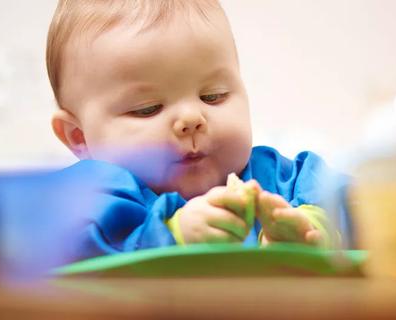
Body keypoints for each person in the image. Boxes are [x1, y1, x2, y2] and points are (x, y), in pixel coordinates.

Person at [46, 0, 350, 260]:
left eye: (213, 95)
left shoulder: (285, 183)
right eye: (147, 108)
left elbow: (370, 206)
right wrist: (170, 234)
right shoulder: (86, 201)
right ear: (79, 136)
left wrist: (315, 225)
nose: (192, 118)